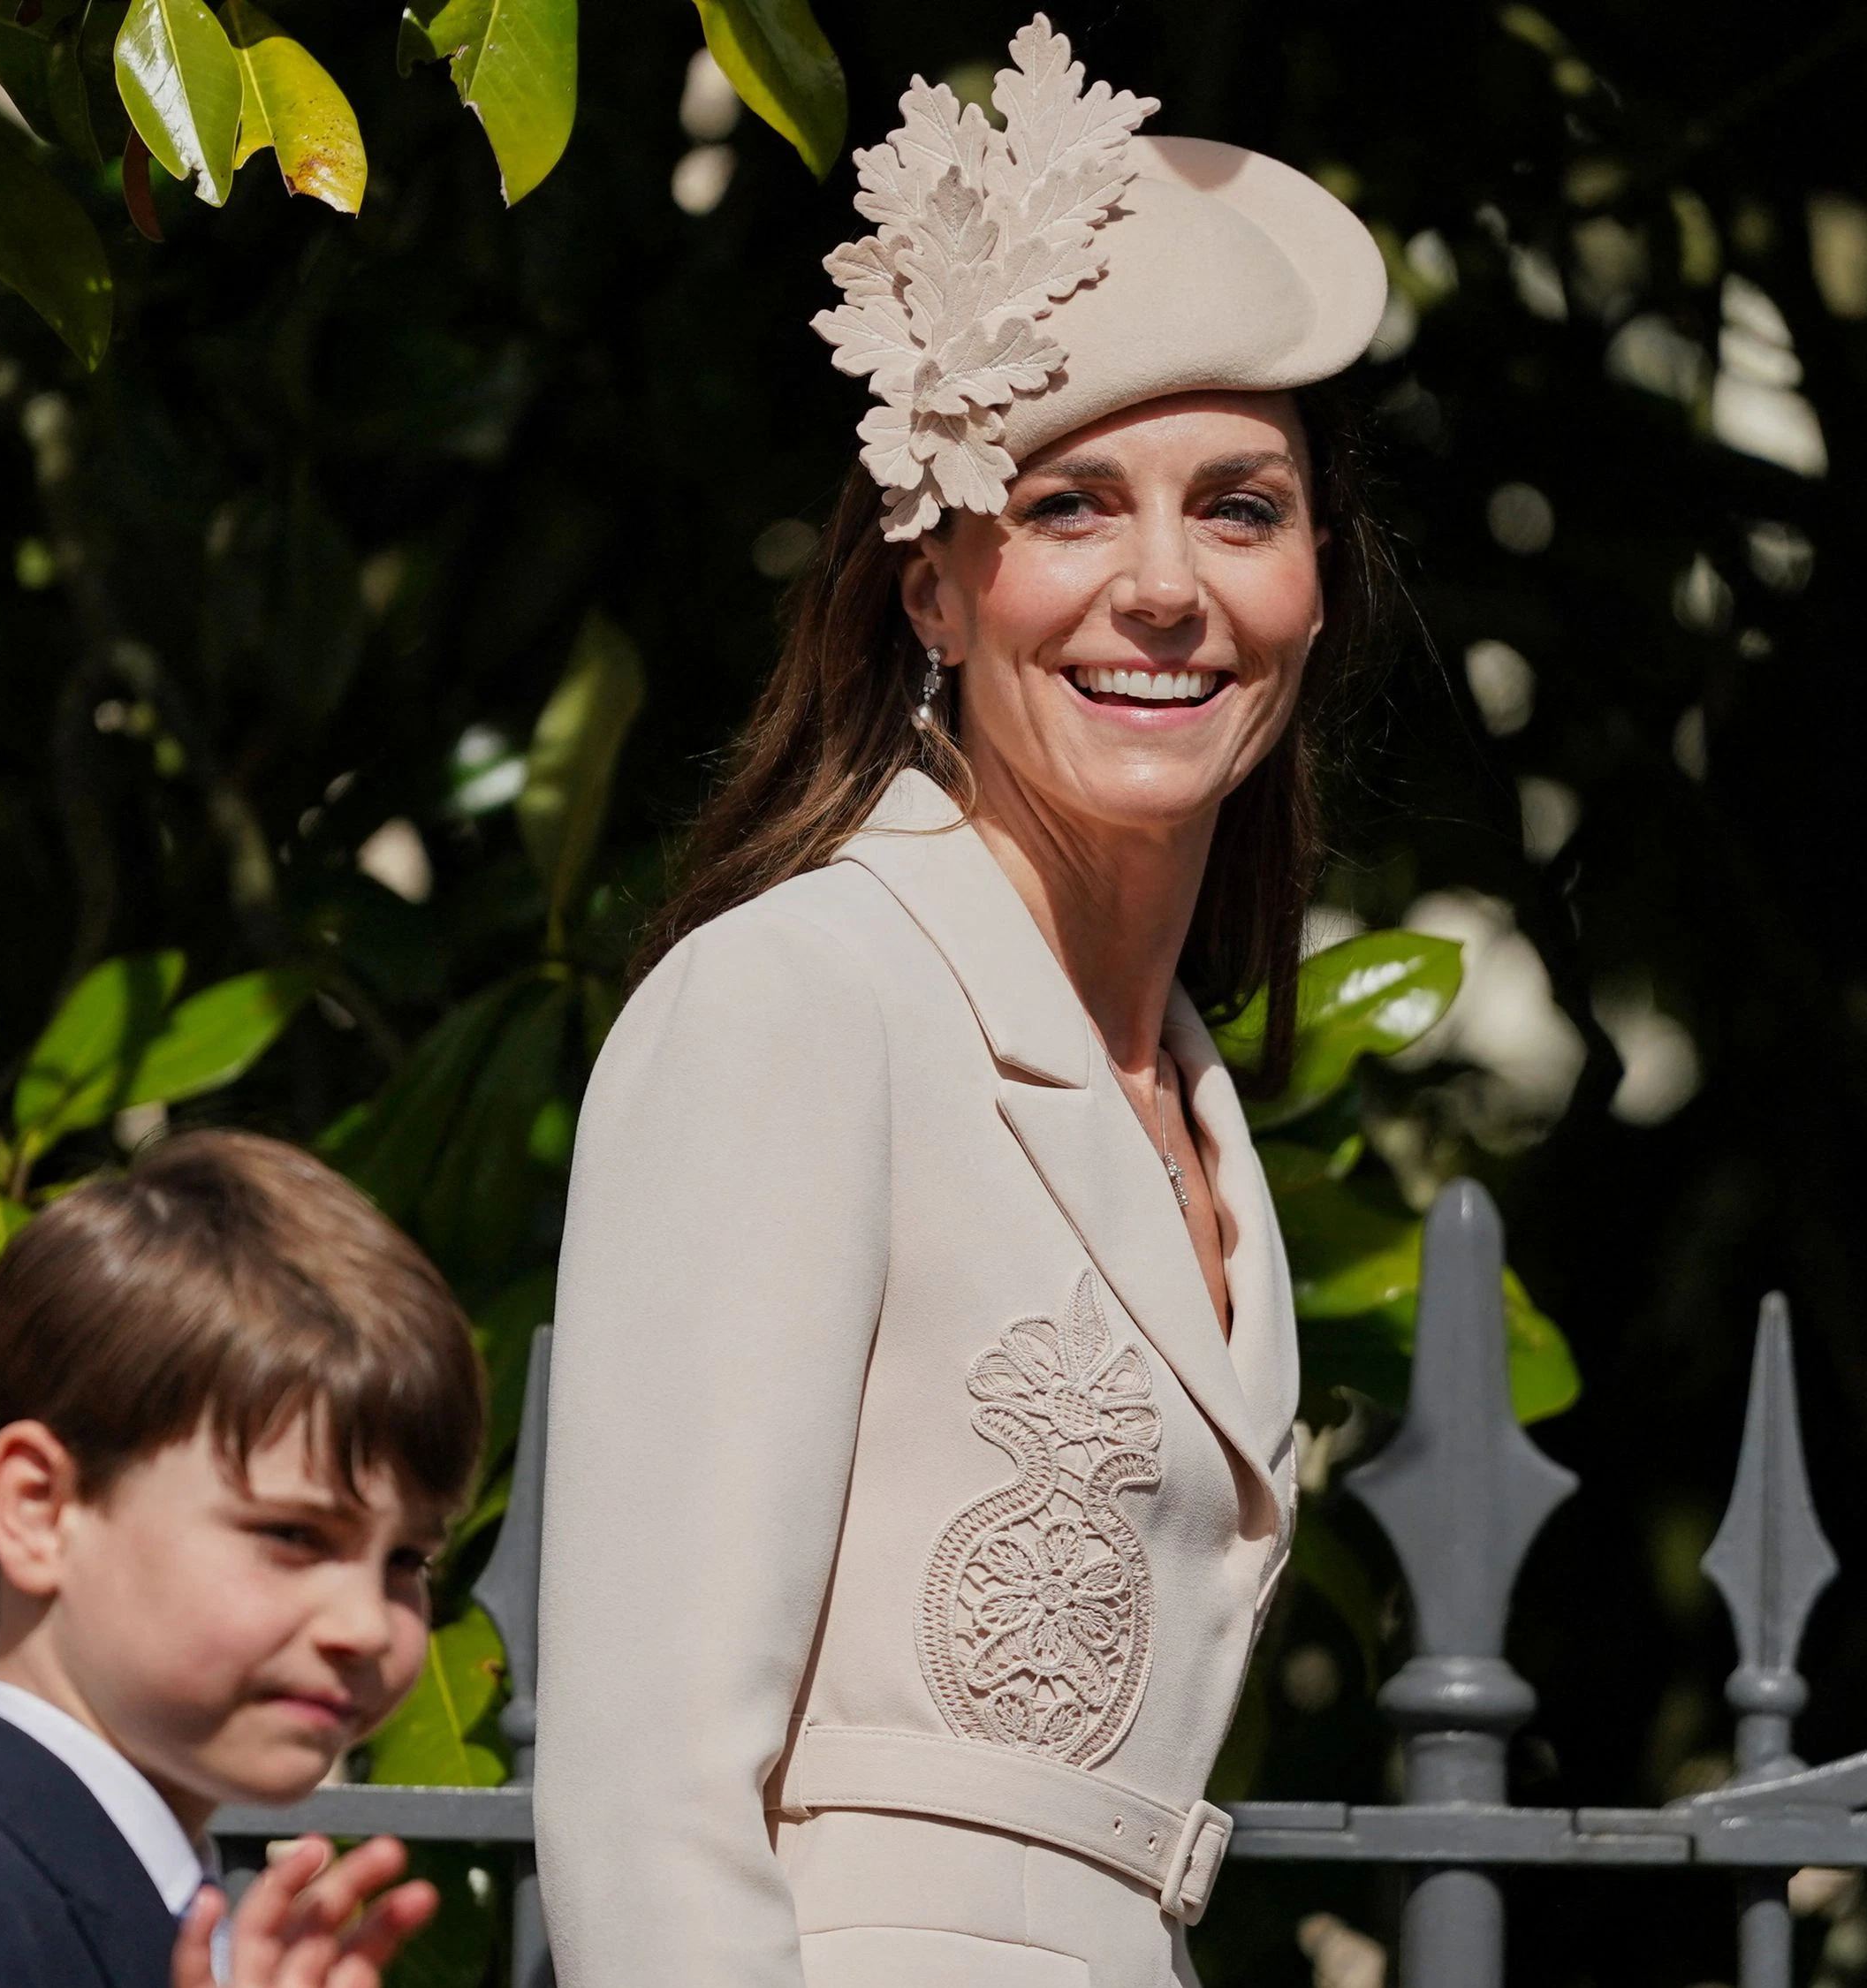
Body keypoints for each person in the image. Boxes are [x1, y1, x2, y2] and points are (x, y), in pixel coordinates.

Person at [533, 16, 1393, 1985]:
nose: (1165, 585)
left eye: (1239, 507)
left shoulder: (1191, 1104)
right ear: (929, 584)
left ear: (1316, 581)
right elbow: (652, 1808)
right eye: (1068, 504)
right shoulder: (798, 1003)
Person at [0, 1130, 482, 1988]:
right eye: (293, 1535)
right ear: (40, 1510)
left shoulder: (60, 1907)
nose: (366, 1627)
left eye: (407, 1561)